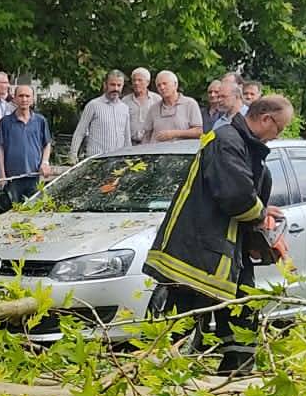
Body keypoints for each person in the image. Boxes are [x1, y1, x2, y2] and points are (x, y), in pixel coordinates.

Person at [143, 94, 295, 374]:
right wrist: (261, 214)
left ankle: (237, 376)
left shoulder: (242, 145)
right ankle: (163, 379)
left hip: (220, 251)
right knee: (185, 316)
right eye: (280, 128)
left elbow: (242, 192)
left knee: (241, 311)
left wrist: (260, 213)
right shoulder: (226, 141)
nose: (278, 136)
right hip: (196, 252)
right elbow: (236, 196)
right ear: (265, 119)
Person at [0, 82, 52, 211]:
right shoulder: (5, 122)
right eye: (20, 96)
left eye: (27, 96)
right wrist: (2, 174)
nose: (24, 99)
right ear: (14, 98)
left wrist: (45, 162)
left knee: (32, 212)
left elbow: (47, 144)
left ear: (32, 99)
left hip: (34, 175)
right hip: (12, 177)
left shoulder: (40, 121)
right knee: (11, 212)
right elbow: (0, 148)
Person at [68, 70, 133, 159]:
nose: (116, 89)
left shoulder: (124, 108)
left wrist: (128, 157)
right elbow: (80, 131)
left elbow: (126, 137)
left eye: (119, 85)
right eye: (112, 84)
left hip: (117, 161)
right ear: (105, 85)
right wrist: (73, 154)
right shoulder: (93, 105)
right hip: (96, 160)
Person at [142, 71, 204, 143]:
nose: (162, 87)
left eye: (165, 84)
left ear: (175, 84)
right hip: (157, 152)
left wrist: (174, 133)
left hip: (181, 152)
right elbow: (147, 135)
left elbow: (199, 132)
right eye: (159, 85)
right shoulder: (153, 108)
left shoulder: (190, 104)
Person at [126, 67, 159, 144]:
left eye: (140, 80)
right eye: (134, 80)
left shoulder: (156, 99)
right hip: (131, 144)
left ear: (147, 82)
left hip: (151, 143)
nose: (136, 83)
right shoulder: (125, 101)